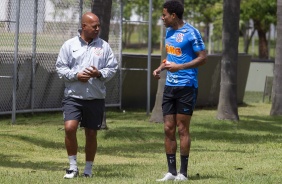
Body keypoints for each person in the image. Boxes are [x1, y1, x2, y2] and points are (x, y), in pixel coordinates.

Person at [56, 12, 118, 179]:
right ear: (84, 26)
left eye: (99, 25)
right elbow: (61, 68)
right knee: (70, 128)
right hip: (73, 97)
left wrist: (99, 73)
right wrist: (76, 75)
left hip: (95, 98)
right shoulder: (69, 45)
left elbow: (112, 68)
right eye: (94, 26)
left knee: (91, 133)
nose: (98, 28)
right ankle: (72, 167)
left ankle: (88, 169)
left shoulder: (104, 46)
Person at [153, 0, 207, 181]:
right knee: (168, 128)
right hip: (170, 86)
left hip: (187, 86)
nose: (162, 18)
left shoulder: (192, 32)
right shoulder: (169, 32)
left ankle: (183, 173)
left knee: (182, 128)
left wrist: (180, 67)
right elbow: (171, 56)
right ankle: (171, 171)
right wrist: (161, 68)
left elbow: (203, 58)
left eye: (164, 14)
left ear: (173, 15)